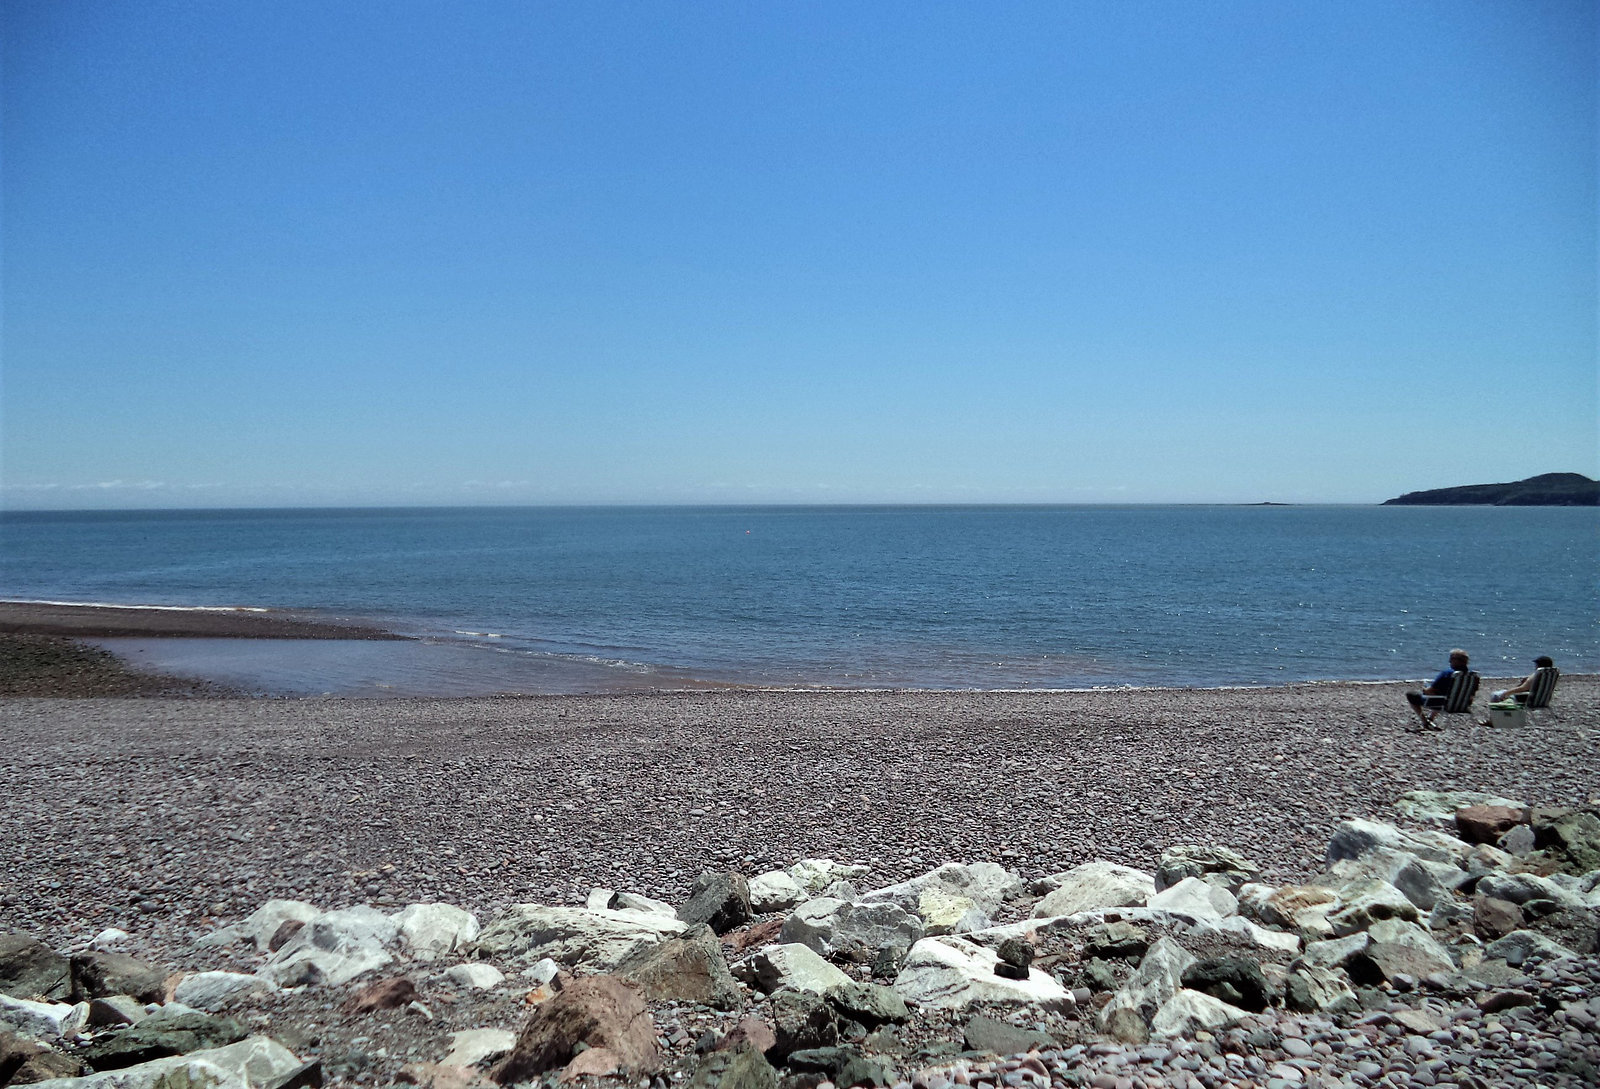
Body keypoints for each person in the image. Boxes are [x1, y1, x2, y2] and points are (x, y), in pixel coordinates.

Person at [1405, 648, 1470, 727]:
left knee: (1411, 694)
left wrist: (1425, 689)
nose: (1449, 661)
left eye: (1451, 658)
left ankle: (1425, 722)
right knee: (1440, 693)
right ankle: (1431, 718)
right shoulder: (1470, 676)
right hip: (1461, 704)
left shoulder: (1448, 673)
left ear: (1457, 660)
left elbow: (1430, 691)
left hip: (1442, 703)